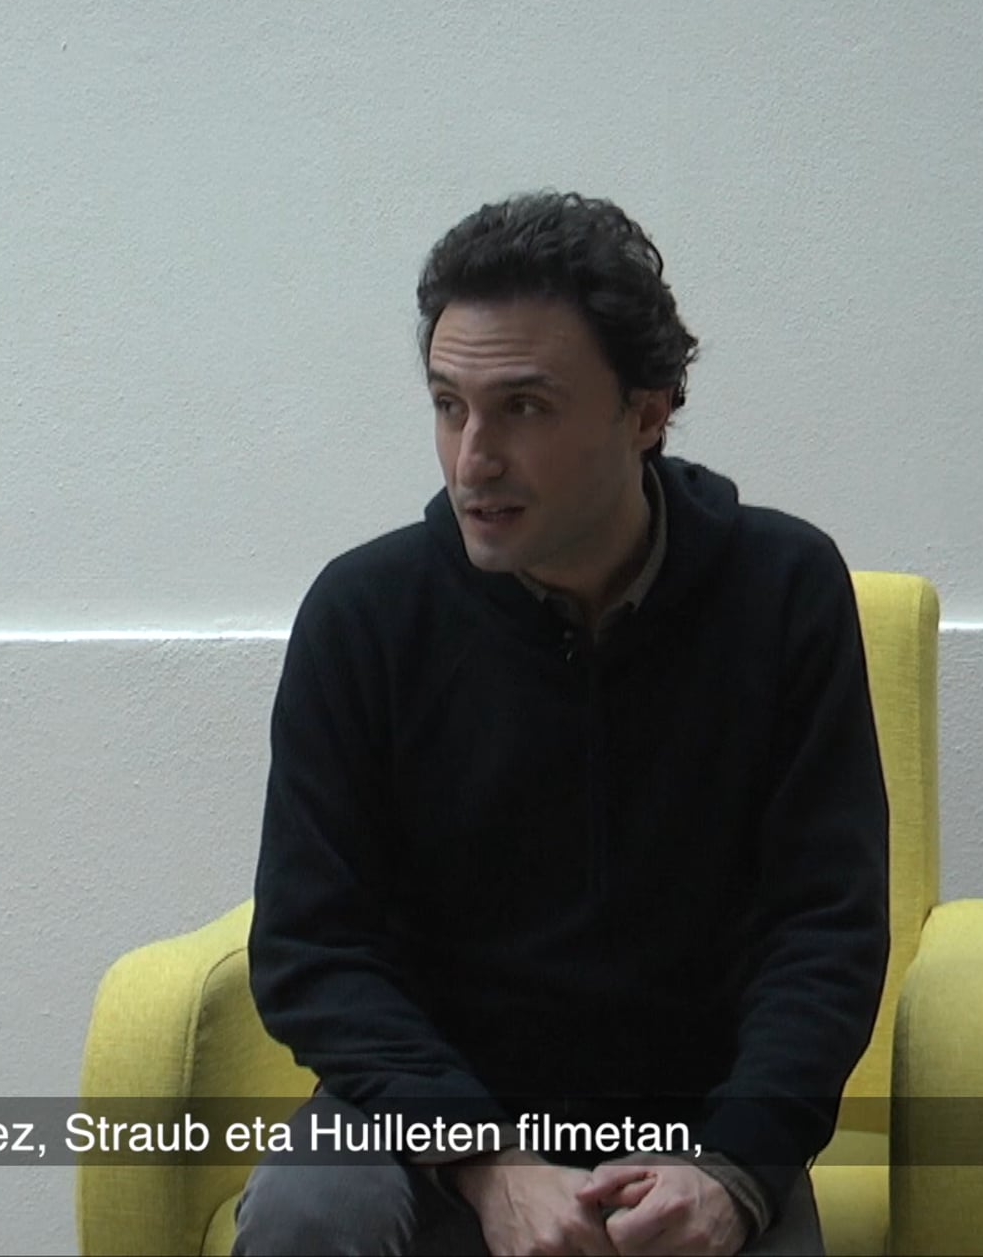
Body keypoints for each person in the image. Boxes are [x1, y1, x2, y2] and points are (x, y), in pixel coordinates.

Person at [236, 192, 891, 1256]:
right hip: (426, 1115)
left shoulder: (784, 592)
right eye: (449, 406)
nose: (473, 459)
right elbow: (312, 944)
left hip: (695, 1125)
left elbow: (823, 929)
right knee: (307, 1216)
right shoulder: (365, 614)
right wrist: (487, 1161)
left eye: (526, 408)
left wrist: (734, 1171)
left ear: (647, 412)